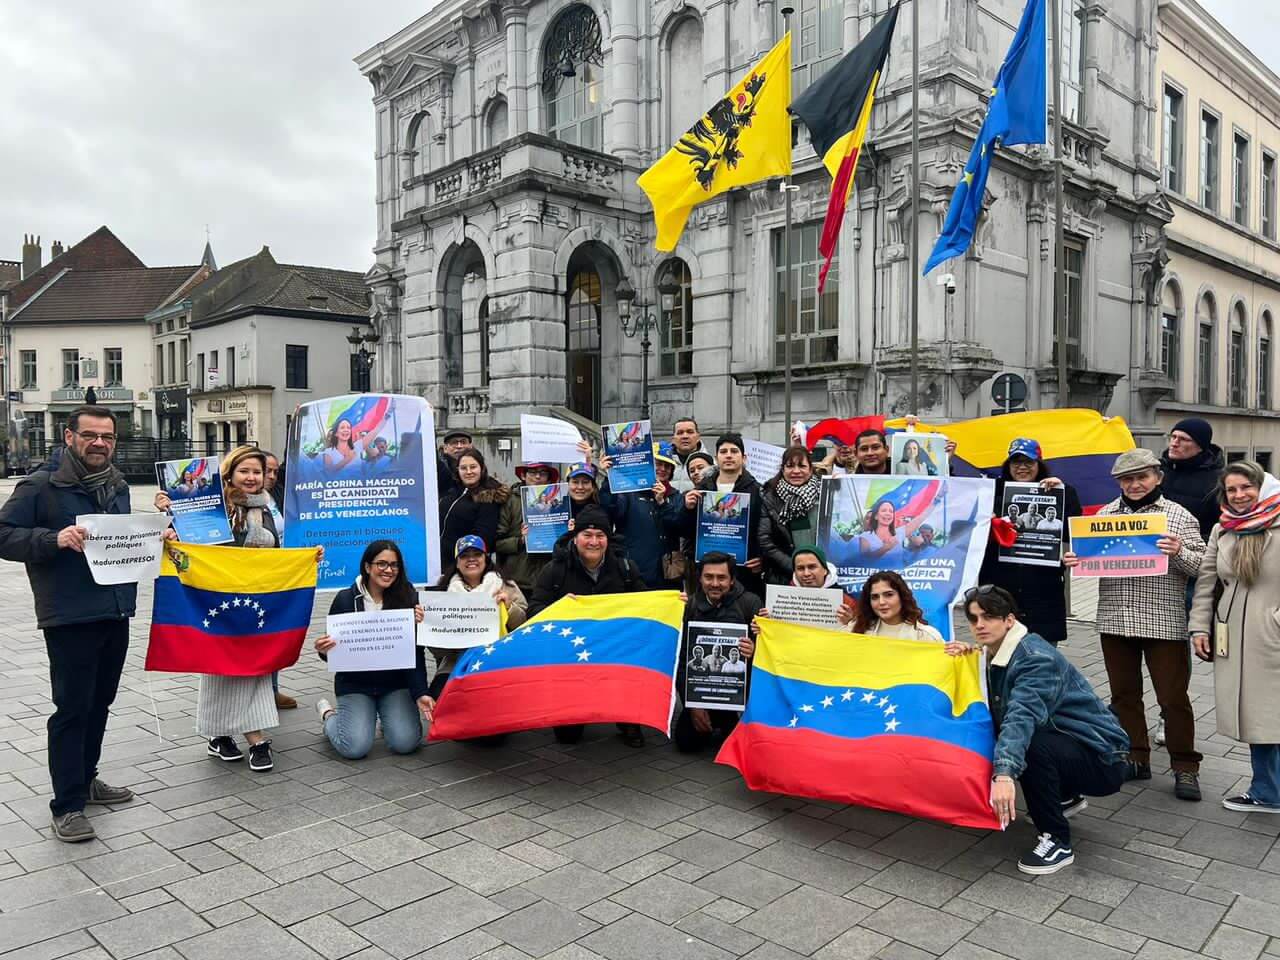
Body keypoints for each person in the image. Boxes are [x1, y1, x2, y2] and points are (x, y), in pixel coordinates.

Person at [0, 407, 141, 842]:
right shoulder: (41, 485)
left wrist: (158, 532)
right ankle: (67, 804)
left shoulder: (116, 485)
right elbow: (3, 533)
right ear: (68, 436)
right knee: (72, 708)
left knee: (101, 702)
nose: (99, 443)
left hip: (114, 610)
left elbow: (125, 540)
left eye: (107, 437)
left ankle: (86, 778)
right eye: (90, 435)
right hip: (69, 614)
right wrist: (52, 538)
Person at [947, 586, 1128, 875]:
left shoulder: (1035, 658)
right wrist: (971, 655)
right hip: (1074, 744)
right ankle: (1065, 796)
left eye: (988, 617)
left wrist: (1004, 774)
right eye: (973, 618)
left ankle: (1057, 839)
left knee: (1030, 745)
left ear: (1009, 620)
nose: (979, 625)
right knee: (1020, 738)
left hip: (1105, 761)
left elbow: (1021, 717)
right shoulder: (995, 652)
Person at [1063, 448, 1205, 800]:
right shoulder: (1105, 516)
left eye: (1142, 476)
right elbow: (1090, 561)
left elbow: (1204, 566)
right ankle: (1136, 756)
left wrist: (1180, 553)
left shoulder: (1178, 516)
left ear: (1158, 476)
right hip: (1115, 618)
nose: (1135, 484)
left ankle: (1185, 766)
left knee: (1173, 698)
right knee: (1124, 696)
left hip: (1163, 620)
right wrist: (1074, 558)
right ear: (1118, 483)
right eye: (1127, 479)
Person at [192, 446, 321, 772]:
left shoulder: (269, 510)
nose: (251, 478)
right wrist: (170, 515)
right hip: (220, 598)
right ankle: (224, 735)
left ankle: (250, 735)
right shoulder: (215, 507)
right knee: (219, 668)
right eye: (245, 471)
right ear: (230, 473)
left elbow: (280, 551)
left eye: (257, 472)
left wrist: (306, 557)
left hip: (259, 600)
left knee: (256, 667)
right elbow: (192, 541)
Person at [1189, 461, 1280, 812]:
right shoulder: (1222, 530)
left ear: (1262, 486)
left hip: (1269, 634)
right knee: (1256, 717)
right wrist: (1199, 626)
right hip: (1234, 636)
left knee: (1270, 715)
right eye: (1232, 490)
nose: (1239, 495)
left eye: (1246, 487)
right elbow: (1206, 581)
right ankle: (1267, 789)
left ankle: (1268, 791)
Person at [529, 506, 644, 745]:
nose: (594, 542)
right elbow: (535, 609)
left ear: (608, 539)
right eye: (587, 535)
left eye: (600, 535)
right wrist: (560, 608)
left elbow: (644, 604)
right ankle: (571, 712)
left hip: (613, 651)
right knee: (567, 737)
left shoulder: (625, 569)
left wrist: (672, 601)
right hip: (570, 651)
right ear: (575, 537)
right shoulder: (555, 570)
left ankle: (628, 719)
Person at [314, 541, 434, 759]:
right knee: (354, 748)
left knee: (406, 743)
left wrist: (420, 692)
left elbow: (415, 652)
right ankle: (329, 715)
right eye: (382, 564)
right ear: (367, 567)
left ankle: (386, 719)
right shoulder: (345, 599)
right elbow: (334, 652)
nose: (388, 570)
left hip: (395, 684)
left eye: (394, 565)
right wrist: (323, 649)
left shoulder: (408, 597)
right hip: (356, 685)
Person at [977, 438, 1082, 646]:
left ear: (1039, 464)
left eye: (1028, 462)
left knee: (1042, 658)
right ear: (1007, 465)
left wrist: (1062, 494)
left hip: (1042, 589)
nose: (1022, 467)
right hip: (999, 585)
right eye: (1016, 462)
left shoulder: (1058, 490)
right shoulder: (990, 490)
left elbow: (1072, 532)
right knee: (998, 657)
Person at [676, 553, 761, 753]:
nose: (715, 583)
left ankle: (733, 720)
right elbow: (680, 661)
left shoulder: (751, 603)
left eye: (721, 578)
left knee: (745, 746)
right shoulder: (689, 606)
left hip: (739, 695)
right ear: (700, 578)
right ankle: (709, 719)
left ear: (732, 580)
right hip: (701, 693)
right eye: (709, 577)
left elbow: (771, 657)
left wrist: (755, 652)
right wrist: (691, 705)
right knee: (686, 742)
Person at [429, 535, 528, 698]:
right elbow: (437, 651)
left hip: (499, 660)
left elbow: (523, 626)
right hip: (456, 662)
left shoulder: (506, 585)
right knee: (439, 696)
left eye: (477, 554)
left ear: (486, 558)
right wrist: (430, 625)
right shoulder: (443, 592)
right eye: (464, 556)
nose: (471, 560)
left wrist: (510, 607)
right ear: (457, 562)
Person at [682, 433, 765, 596]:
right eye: (723, 451)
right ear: (716, 457)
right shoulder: (700, 490)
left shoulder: (758, 491)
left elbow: (765, 530)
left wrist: (763, 559)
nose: (728, 455)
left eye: (734, 451)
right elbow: (685, 531)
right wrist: (686, 508)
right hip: (707, 575)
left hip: (744, 574)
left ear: (744, 458)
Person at [598, 443, 684, 588]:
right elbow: (610, 511)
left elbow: (679, 527)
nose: (662, 469)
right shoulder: (628, 492)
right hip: (633, 574)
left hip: (667, 577)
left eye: (667, 466)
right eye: (657, 464)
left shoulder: (675, 496)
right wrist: (610, 479)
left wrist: (662, 504)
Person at [758, 445, 822, 584]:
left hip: (821, 573)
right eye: (790, 466)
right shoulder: (770, 497)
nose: (796, 471)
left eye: (802, 466)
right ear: (783, 469)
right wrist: (793, 566)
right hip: (783, 575)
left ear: (811, 469)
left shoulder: (825, 494)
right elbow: (765, 540)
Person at [496, 462, 561, 598]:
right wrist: (520, 541)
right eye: (532, 472)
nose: (537, 477)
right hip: (516, 580)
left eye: (543, 473)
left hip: (548, 579)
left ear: (549, 479)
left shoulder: (558, 501)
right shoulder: (510, 501)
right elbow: (496, 543)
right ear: (523, 476)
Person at [439, 448, 509, 569]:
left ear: (481, 468)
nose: (469, 472)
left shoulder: (488, 497)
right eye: (463, 468)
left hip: (463, 564)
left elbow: (483, 538)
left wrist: (461, 555)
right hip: (439, 562)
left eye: (473, 467)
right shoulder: (453, 491)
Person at [1160, 417, 1224, 543]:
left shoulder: (1219, 481)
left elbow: (1222, 527)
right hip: (1153, 552)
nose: (1174, 443)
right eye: (1173, 437)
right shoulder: (1156, 470)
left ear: (1200, 446)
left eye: (1183, 439)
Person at [837, 571, 943, 642]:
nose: (881, 602)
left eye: (889, 595)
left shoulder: (927, 636)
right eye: (875, 597)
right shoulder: (855, 630)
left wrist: (958, 655)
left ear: (902, 596)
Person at [437, 428, 472, 502]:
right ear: (445, 448)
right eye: (454, 443)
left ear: (470, 446)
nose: (459, 446)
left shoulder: (478, 465)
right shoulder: (438, 468)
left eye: (463, 442)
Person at [672, 417, 707, 489]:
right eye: (680, 433)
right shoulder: (663, 464)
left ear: (698, 437)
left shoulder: (710, 464)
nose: (685, 436)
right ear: (673, 439)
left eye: (690, 432)